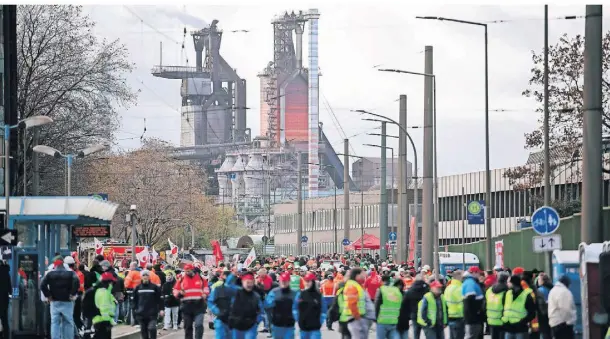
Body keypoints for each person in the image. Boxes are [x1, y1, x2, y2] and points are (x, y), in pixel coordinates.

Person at [40, 255, 80, 339]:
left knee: (55, 322)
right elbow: (77, 282)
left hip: (54, 301)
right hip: (67, 301)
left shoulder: (50, 273)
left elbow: (42, 284)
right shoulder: (71, 273)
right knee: (68, 322)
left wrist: (48, 295)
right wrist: (72, 294)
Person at [173, 264, 207, 339]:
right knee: (188, 326)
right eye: (186, 271)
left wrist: (205, 293)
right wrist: (179, 294)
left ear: (192, 270)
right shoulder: (181, 279)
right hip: (186, 306)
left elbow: (206, 287)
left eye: (188, 271)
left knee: (199, 325)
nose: (187, 272)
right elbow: (175, 290)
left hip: (199, 305)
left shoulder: (200, 278)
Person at [228, 272, 264, 339]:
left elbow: (261, 312)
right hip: (236, 326)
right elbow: (228, 285)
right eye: (247, 282)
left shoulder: (256, 296)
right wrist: (232, 274)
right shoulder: (236, 292)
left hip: (250, 326)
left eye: (251, 283)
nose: (249, 285)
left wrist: (256, 322)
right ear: (243, 282)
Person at [502, 275, 537, 339]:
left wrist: (522, 322)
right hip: (509, 329)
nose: (507, 284)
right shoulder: (507, 294)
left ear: (513, 283)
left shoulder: (526, 295)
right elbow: (504, 309)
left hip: (521, 330)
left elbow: (532, 313)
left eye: (508, 282)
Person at [293, 272, 326, 339]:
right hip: (303, 327)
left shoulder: (319, 296)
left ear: (313, 282)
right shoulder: (300, 295)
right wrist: (298, 319)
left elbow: (324, 310)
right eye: (306, 281)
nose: (307, 283)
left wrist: (320, 321)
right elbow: (295, 308)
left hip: (315, 328)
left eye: (309, 281)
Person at [133, 270, 164, 339]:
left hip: (152, 313)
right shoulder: (137, 288)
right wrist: (134, 311)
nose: (145, 277)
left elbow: (160, 299)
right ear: (141, 277)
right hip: (141, 313)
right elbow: (134, 301)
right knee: (144, 331)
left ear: (149, 277)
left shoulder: (154, 287)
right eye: (143, 275)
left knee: (152, 328)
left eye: (147, 275)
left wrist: (161, 309)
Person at [265, 272, 297, 338]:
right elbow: (267, 306)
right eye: (282, 281)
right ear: (279, 280)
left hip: (289, 325)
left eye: (285, 281)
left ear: (289, 281)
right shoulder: (274, 292)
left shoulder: (294, 293)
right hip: (277, 325)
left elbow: (300, 307)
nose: (284, 282)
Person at [208, 271, 238, 339]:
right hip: (221, 320)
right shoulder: (218, 290)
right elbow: (210, 301)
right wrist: (217, 311)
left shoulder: (238, 291)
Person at [341, 268, 368, 339]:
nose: (364, 275)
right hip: (354, 317)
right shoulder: (352, 285)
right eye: (362, 274)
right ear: (357, 275)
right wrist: (357, 316)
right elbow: (352, 302)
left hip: (356, 316)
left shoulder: (356, 285)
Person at [400, 274, 428, 339]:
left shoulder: (410, 291)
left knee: (416, 333)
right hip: (426, 314)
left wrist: (406, 315)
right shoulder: (427, 289)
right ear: (423, 279)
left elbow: (404, 304)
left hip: (414, 314)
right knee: (428, 333)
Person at [374, 274, 401, 339]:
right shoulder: (397, 291)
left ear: (382, 281)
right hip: (394, 320)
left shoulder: (382, 289)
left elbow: (377, 305)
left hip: (382, 320)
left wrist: (375, 317)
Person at [93, 272, 118, 339]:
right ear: (108, 283)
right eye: (112, 282)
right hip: (103, 322)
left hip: (99, 321)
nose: (112, 284)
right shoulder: (104, 293)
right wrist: (108, 322)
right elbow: (104, 309)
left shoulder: (100, 291)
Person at [462, 267, 485, 339]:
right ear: (474, 273)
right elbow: (470, 300)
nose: (479, 275)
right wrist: (476, 313)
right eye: (478, 273)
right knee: (471, 336)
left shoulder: (471, 282)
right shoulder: (470, 283)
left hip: (473, 317)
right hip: (473, 318)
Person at [486, 272, 510, 339]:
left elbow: (484, 305)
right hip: (502, 321)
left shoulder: (489, 290)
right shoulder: (507, 291)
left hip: (491, 320)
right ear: (506, 280)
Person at [444, 270, 464, 339]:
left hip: (450, 317)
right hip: (459, 317)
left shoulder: (448, 288)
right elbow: (463, 304)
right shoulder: (460, 289)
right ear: (459, 277)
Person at [536, 273, 553, 339]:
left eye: (539, 279)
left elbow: (540, 303)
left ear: (543, 281)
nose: (538, 281)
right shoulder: (552, 288)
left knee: (543, 334)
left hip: (543, 316)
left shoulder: (540, 290)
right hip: (551, 314)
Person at [0, 260, 10, 339]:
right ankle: (6, 336)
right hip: (4, 301)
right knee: (4, 320)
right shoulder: (6, 273)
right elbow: (10, 289)